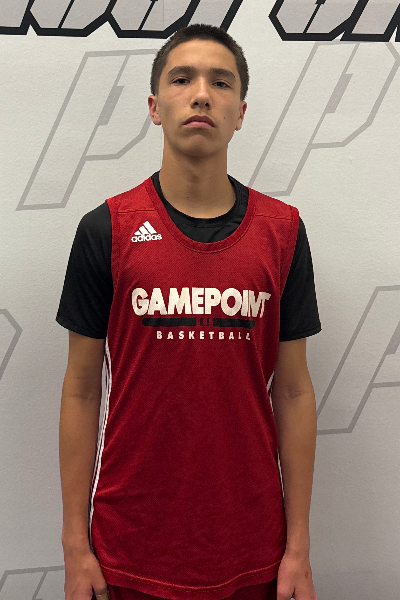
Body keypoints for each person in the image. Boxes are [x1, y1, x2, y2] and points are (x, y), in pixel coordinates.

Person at [57, 23, 321, 600]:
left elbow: (294, 390)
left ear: (240, 113)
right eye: (182, 79)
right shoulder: (106, 229)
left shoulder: (282, 232)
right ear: (155, 107)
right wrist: (76, 545)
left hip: (253, 544)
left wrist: (298, 548)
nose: (201, 94)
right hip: (129, 543)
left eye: (221, 82)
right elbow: (80, 389)